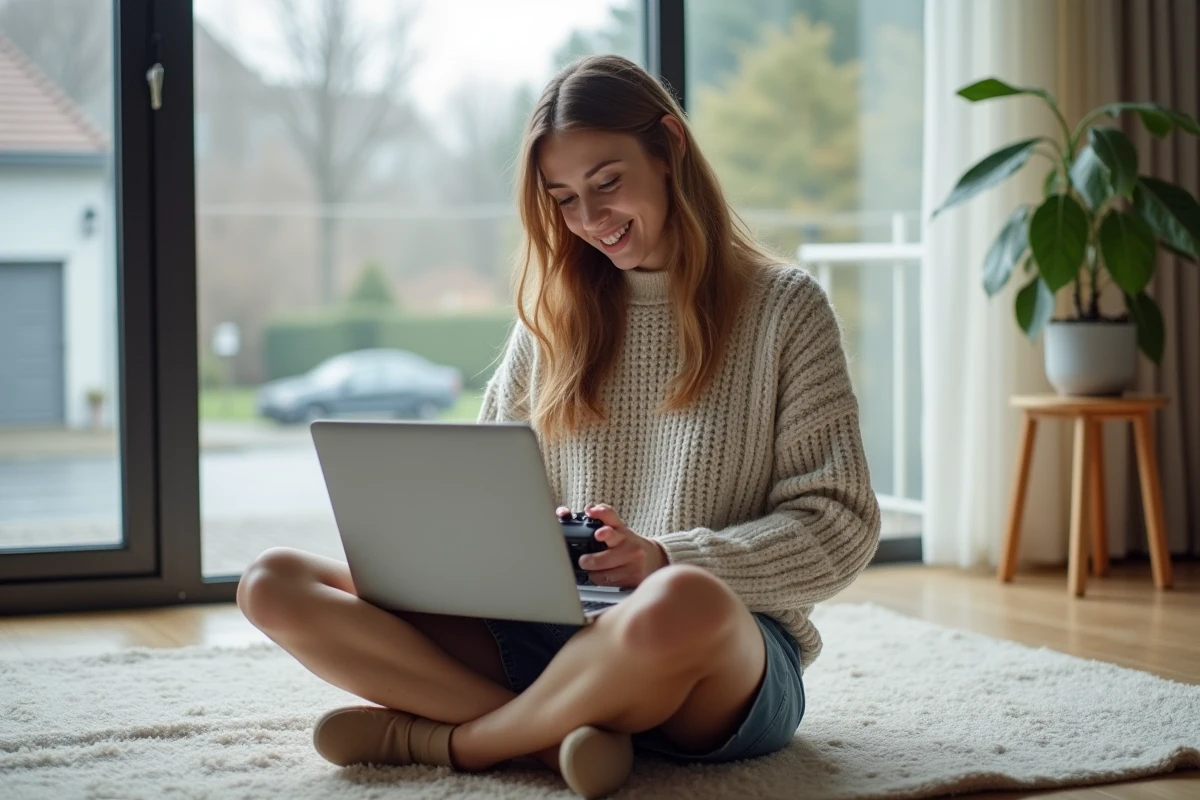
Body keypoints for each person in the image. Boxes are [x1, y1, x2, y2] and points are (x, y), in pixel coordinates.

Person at [236, 54, 880, 799]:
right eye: (565, 198)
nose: (590, 219)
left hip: (711, 660)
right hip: (552, 634)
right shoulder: (550, 320)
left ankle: (459, 741)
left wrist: (662, 558)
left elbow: (840, 526)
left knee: (684, 598)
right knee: (271, 582)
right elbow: (481, 500)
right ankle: (555, 740)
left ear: (670, 146)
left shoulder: (784, 308)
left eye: (607, 183)